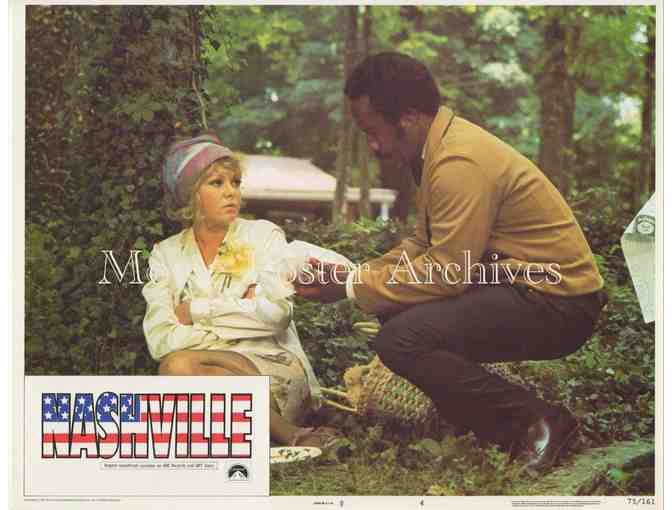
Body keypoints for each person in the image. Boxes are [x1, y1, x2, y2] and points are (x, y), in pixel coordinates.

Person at [295, 52, 606, 472]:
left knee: (400, 339)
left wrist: (351, 287)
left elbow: (447, 273)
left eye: (373, 131)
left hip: (557, 302)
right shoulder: (439, 150)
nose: (373, 146)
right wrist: (357, 274)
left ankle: (537, 421)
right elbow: (423, 245)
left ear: (408, 118)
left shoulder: (459, 162)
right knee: (397, 316)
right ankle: (487, 422)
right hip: (523, 288)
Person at [142, 133, 339, 448]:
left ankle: (271, 431)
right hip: (205, 371)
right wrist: (236, 324)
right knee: (174, 365)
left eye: (235, 182)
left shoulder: (264, 237)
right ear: (191, 195)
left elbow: (276, 315)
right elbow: (159, 337)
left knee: (178, 367)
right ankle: (287, 435)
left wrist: (194, 311)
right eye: (217, 183)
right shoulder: (165, 254)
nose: (231, 192)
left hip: (271, 369)